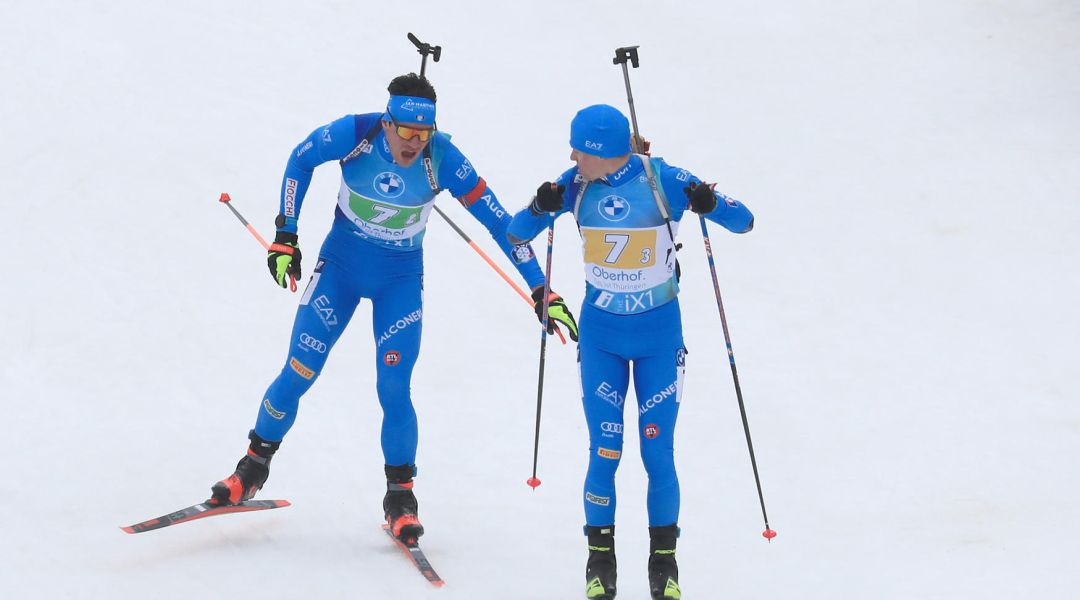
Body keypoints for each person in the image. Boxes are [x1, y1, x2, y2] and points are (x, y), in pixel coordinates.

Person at [208, 74, 578, 545]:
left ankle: (401, 499)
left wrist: (542, 289)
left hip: (398, 282)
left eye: (423, 134)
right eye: (405, 131)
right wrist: (286, 234)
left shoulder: (444, 159)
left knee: (394, 386)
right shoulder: (356, 132)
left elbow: (503, 224)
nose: (413, 144)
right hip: (340, 268)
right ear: (387, 122)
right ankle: (251, 468)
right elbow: (301, 158)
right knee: (300, 368)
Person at [507, 104, 754, 600]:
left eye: (580, 149)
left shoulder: (665, 181)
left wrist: (709, 203)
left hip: (659, 339)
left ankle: (664, 565)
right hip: (603, 340)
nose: (572, 157)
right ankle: (600, 562)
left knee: (657, 450)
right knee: (606, 448)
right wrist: (539, 206)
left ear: (603, 152)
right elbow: (517, 233)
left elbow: (744, 220)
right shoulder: (574, 185)